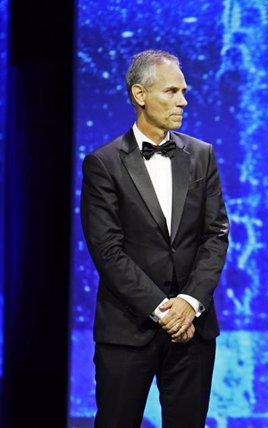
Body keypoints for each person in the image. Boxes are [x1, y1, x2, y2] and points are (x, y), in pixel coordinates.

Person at [80, 50, 229, 428]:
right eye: (172, 91)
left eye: (184, 91)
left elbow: (215, 235)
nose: (184, 100)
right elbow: (107, 250)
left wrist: (189, 303)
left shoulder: (202, 155)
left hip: (192, 332)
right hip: (128, 330)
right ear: (140, 94)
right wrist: (165, 311)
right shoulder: (103, 164)